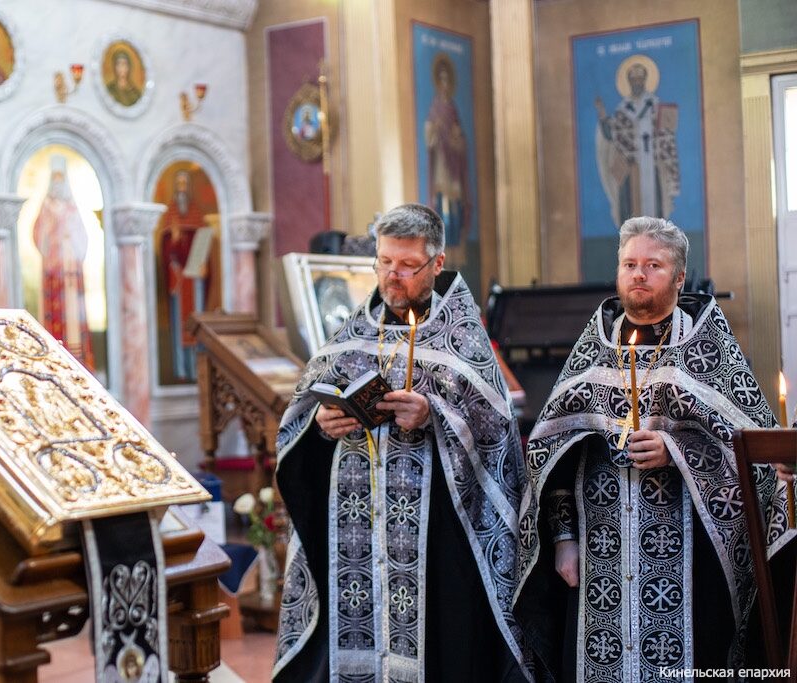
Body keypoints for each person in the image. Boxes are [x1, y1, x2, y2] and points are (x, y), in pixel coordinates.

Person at [515, 217, 788, 681]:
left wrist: (676, 451)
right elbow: (551, 459)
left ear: (679, 278)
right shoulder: (594, 348)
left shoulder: (707, 349)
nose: (638, 274)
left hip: (691, 560)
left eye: (653, 265)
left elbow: (753, 458)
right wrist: (563, 539)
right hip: (599, 555)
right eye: (629, 264)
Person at [273, 204, 530, 682]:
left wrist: (434, 416)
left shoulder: (463, 338)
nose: (393, 276)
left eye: (408, 265)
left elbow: (497, 437)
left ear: (437, 263)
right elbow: (302, 416)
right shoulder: (354, 331)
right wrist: (322, 423)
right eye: (385, 262)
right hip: (357, 530)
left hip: (439, 535)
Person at [594, 57, 680, 226]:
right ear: (629, 82)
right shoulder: (623, 110)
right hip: (632, 169)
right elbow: (611, 134)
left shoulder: (656, 106)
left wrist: (671, 173)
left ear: (645, 81)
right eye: (633, 80)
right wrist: (603, 115)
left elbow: (668, 141)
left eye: (640, 79)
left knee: (656, 217)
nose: (637, 83)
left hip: (652, 168)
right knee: (630, 214)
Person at [32, 155, 94, 371]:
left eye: (61, 177)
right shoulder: (46, 207)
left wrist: (70, 239)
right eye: (55, 177)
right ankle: (55, 357)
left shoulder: (72, 207)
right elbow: (37, 235)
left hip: (70, 269)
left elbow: (82, 237)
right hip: (53, 270)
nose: (58, 182)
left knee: (73, 314)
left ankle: (77, 360)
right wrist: (51, 235)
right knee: (55, 310)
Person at [156, 169, 216, 383]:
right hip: (179, 280)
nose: (182, 188)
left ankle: (196, 370)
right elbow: (166, 250)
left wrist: (204, 265)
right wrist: (173, 240)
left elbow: (203, 246)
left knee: (195, 325)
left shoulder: (196, 214)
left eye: (185, 183)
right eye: (179, 183)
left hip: (195, 279)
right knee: (179, 327)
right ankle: (181, 370)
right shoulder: (170, 216)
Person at [424, 54, 471, 252]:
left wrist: (456, 139)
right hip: (442, 163)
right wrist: (434, 130)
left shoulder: (452, 108)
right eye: (441, 80)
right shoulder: (435, 108)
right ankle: (443, 245)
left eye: (446, 80)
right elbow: (429, 135)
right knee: (442, 201)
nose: (444, 84)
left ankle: (455, 243)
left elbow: (460, 136)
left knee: (455, 203)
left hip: (454, 165)